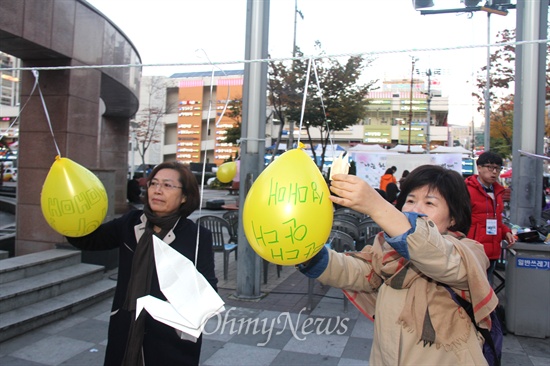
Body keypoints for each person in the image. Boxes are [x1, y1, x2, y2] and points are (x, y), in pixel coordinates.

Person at [298, 165, 497, 365]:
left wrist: (375, 205)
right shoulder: (386, 249)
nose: (416, 210)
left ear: (453, 218)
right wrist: (309, 253)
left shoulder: (468, 252)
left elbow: (436, 255)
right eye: (410, 200)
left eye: (429, 203)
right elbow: (358, 271)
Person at [67, 161, 217, 366]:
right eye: (154, 183)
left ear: (184, 197)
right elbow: (90, 240)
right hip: (126, 329)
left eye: (167, 185)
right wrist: (68, 218)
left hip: (171, 338)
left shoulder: (198, 237)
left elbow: (208, 290)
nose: (157, 190)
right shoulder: (131, 223)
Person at [465, 151, 516, 286]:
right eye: (490, 167)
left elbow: (496, 219)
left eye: (498, 168)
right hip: (473, 251)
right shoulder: (467, 190)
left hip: (493, 251)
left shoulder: (497, 191)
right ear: (479, 168)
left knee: (486, 288)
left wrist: (506, 232)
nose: (494, 172)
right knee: (473, 289)